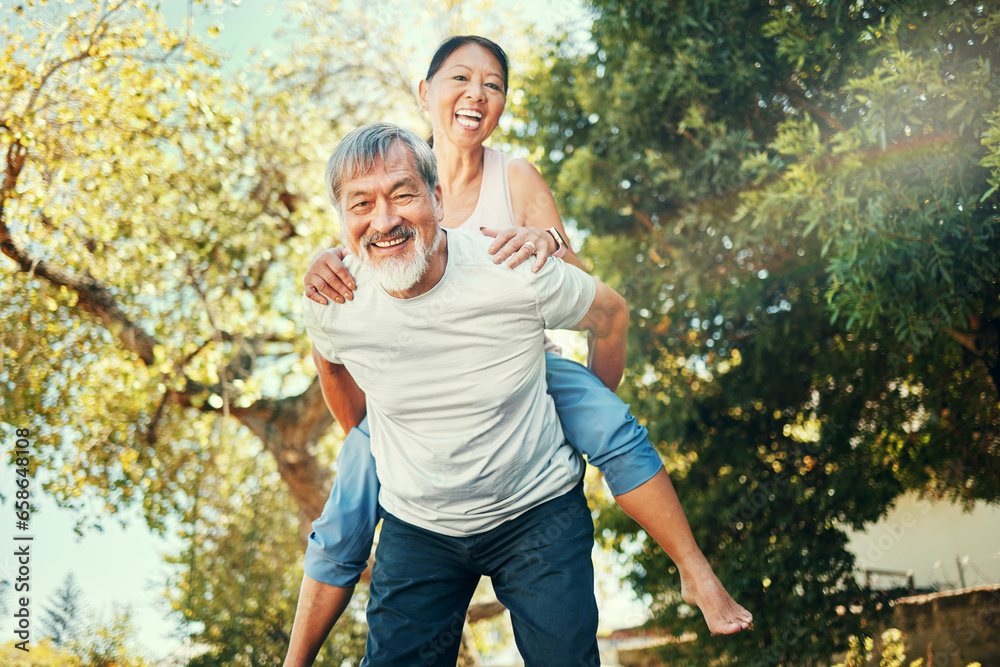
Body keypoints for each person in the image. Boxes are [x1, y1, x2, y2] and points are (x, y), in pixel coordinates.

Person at [288, 36, 751, 663]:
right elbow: (358, 280)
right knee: (347, 504)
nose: (477, 94)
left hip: (521, 360)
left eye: (494, 84)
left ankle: (694, 568)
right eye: (460, 79)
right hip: (414, 410)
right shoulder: (385, 177)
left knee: (614, 429)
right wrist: (367, 421)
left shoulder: (513, 178)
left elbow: (590, 291)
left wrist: (547, 242)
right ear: (425, 95)